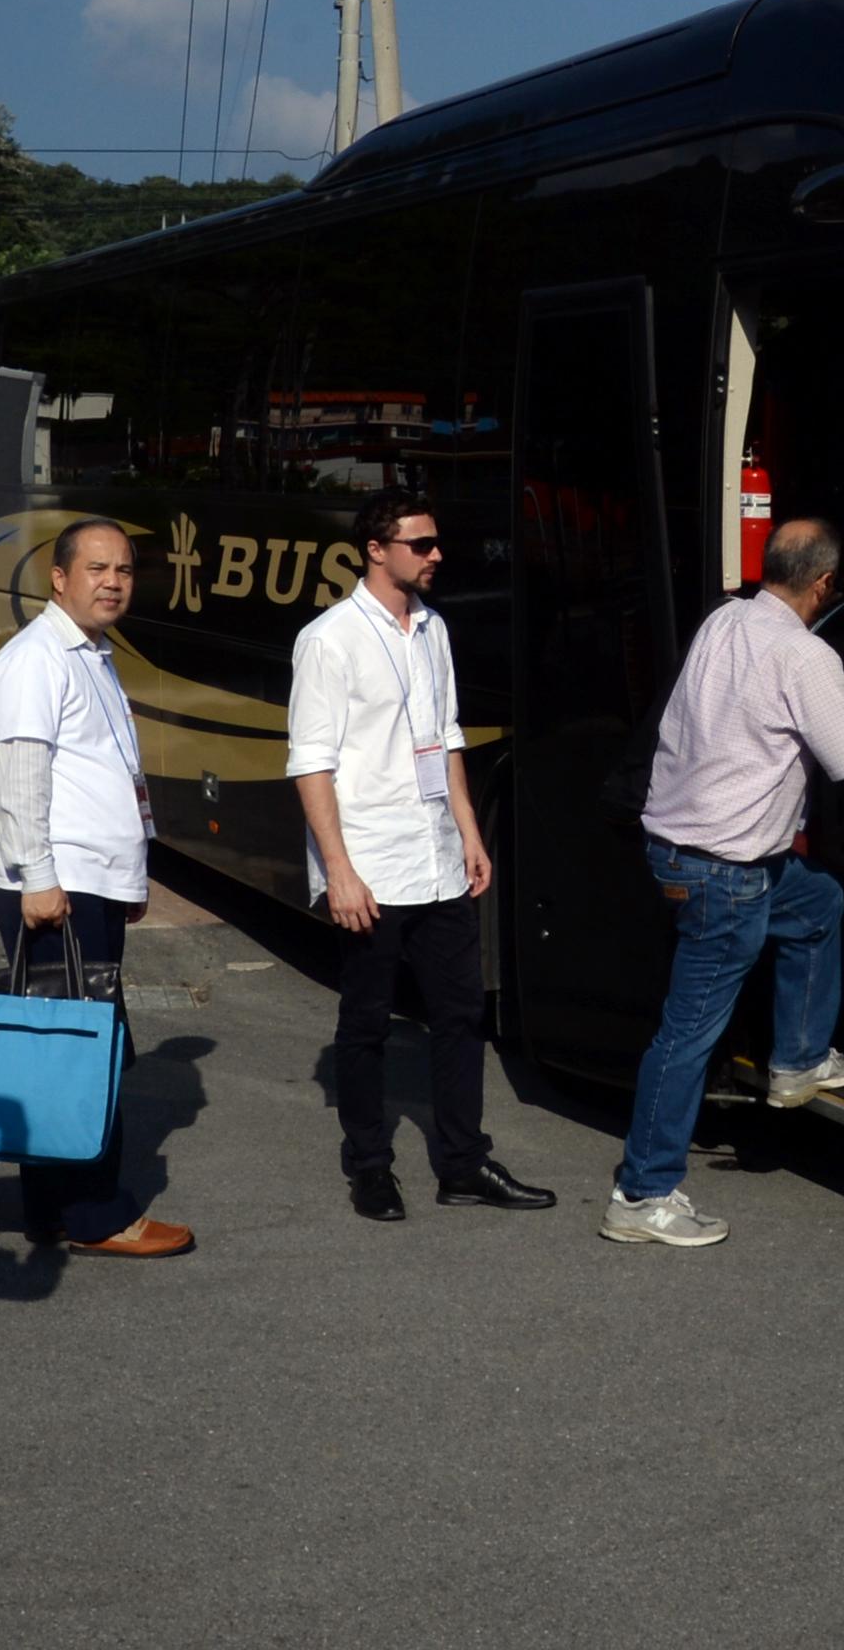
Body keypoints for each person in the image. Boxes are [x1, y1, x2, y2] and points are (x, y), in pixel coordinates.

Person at [605, 518, 844, 1248]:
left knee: (817, 900)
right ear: (823, 584)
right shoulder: (806, 655)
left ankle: (796, 1062)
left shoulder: (723, 620)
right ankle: (643, 1192)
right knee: (688, 1034)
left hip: (677, 849)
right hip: (725, 873)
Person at [289, 490, 554, 1221]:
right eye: (422, 545)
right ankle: (370, 1164)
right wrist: (337, 869)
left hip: (437, 856)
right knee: (368, 1020)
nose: (437, 556)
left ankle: (464, 1163)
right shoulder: (329, 640)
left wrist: (469, 833)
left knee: (461, 1015)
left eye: (437, 544)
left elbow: (449, 737)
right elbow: (310, 763)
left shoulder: (433, 627)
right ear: (376, 549)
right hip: (371, 863)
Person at [0, 518, 193, 1259]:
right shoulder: (36, 659)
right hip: (57, 889)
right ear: (59, 578)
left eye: (125, 570)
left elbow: (108, 774)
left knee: (60, 1052)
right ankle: (100, 1215)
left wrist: (128, 874)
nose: (113, 581)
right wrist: (38, 880)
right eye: (97, 568)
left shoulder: (90, 654)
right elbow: (19, 779)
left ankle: (53, 1209)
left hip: (88, 883)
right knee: (86, 1054)